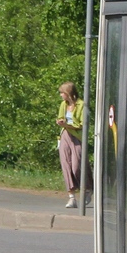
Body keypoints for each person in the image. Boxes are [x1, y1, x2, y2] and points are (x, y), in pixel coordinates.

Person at [56, 82, 85, 210]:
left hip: (77, 136)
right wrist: (61, 122)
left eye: (62, 93)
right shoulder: (63, 105)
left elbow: (82, 125)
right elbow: (61, 117)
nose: (61, 95)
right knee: (66, 164)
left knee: (76, 166)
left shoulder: (81, 105)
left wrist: (68, 125)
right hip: (65, 135)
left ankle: (87, 188)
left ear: (69, 93)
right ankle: (71, 196)